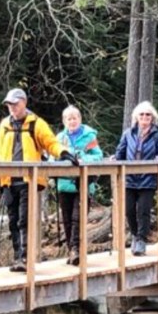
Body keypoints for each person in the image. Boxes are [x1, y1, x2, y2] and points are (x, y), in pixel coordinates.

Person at [0, 88, 72, 272]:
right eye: (9, 104)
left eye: (15, 104)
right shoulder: (4, 124)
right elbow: (0, 151)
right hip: (8, 179)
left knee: (24, 220)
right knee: (12, 220)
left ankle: (25, 258)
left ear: (24, 102)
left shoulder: (36, 123)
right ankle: (17, 258)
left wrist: (63, 153)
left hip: (28, 179)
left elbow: (50, 142)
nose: (11, 108)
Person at [114, 101, 158, 257]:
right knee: (129, 210)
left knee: (143, 211)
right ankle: (136, 235)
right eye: (142, 114)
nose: (145, 117)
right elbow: (120, 152)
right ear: (136, 117)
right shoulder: (128, 133)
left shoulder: (157, 135)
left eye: (148, 114)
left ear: (152, 118)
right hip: (129, 178)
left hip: (148, 179)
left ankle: (142, 240)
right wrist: (115, 160)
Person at [54, 106, 102, 266]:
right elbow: (50, 158)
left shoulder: (89, 137)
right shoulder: (59, 138)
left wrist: (83, 160)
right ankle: (72, 250)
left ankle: (76, 249)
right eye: (69, 118)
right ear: (64, 121)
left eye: (75, 118)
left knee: (77, 218)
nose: (72, 121)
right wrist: (60, 161)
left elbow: (98, 156)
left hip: (83, 184)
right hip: (64, 183)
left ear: (80, 119)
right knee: (67, 220)